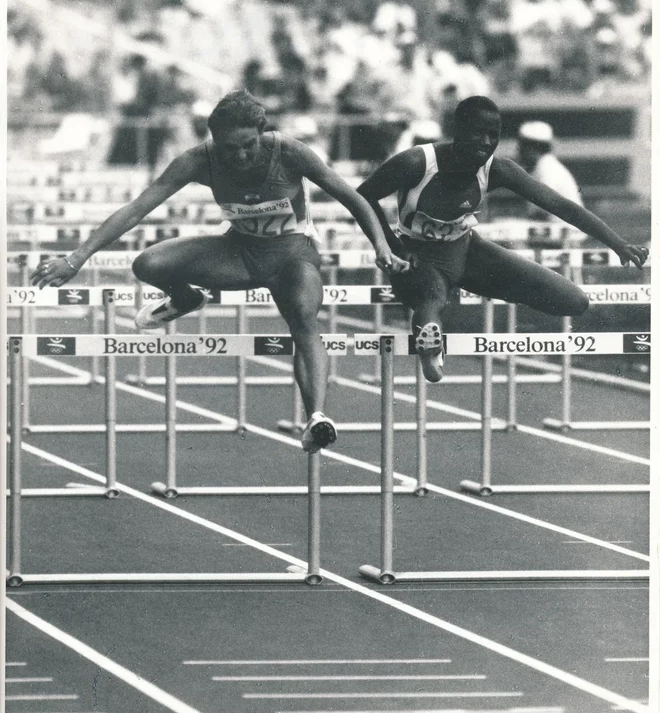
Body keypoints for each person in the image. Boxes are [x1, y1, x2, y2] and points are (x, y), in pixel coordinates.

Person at [31, 90, 409, 453]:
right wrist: (76, 258)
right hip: (239, 254)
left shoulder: (289, 152)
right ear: (214, 140)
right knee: (148, 263)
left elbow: (354, 198)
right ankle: (186, 297)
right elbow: (136, 209)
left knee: (304, 318)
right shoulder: (198, 160)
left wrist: (381, 246)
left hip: (294, 257)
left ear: (263, 134)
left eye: (249, 144)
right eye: (231, 148)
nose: (241, 154)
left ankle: (316, 417)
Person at [357, 96, 649, 383]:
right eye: (477, 134)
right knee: (432, 295)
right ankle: (430, 346)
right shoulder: (416, 161)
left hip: (467, 251)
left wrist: (616, 243)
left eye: (493, 136)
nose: (486, 143)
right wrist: (390, 247)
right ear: (458, 132)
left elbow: (561, 206)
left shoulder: (497, 169)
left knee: (574, 301)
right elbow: (362, 197)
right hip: (415, 256)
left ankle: (441, 322)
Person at [517, 120, 583, 218]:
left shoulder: (547, 169)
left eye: (522, 147)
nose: (519, 152)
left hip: (566, 231)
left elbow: (543, 213)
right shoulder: (542, 167)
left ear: (534, 148)